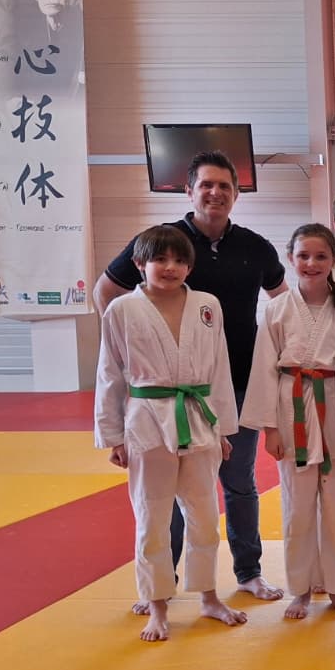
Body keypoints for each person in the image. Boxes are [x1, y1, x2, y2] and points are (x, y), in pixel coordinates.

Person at [94, 151, 287, 604]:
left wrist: (280, 360)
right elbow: (106, 291)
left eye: (225, 186)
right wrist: (139, 347)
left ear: (236, 194)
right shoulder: (162, 241)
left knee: (237, 482)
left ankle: (248, 572)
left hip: (235, 382)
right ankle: (165, 582)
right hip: (159, 393)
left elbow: (282, 300)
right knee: (167, 493)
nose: (215, 193)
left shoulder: (255, 246)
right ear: (189, 190)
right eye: (206, 185)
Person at [94, 224, 244, 642]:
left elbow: (219, 368)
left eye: (179, 260)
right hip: (146, 420)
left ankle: (209, 596)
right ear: (139, 263)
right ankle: (157, 604)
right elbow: (109, 372)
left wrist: (224, 429)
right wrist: (113, 435)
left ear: (190, 267)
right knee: (152, 516)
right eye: (159, 259)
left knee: (205, 516)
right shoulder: (121, 309)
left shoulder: (207, 305)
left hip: (199, 417)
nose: (170, 267)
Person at [241, 224, 335, 622]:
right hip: (292, 410)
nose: (311, 263)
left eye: (321, 256)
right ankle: (301, 589)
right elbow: (263, 371)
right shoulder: (276, 309)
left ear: (334, 260)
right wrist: (270, 429)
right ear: (290, 259)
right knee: (297, 509)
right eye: (303, 256)